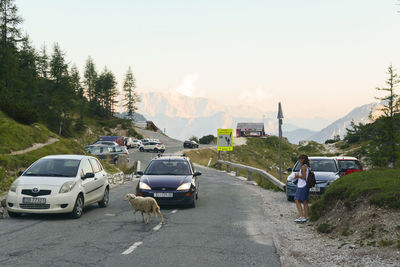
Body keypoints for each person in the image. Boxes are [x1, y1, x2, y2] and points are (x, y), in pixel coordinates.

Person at [294, 154, 310, 223]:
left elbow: (303, 177)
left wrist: (298, 176)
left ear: (302, 159)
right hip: (305, 186)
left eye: (299, 159)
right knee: (305, 201)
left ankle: (301, 216)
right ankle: (306, 217)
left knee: (297, 200)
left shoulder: (303, 167)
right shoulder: (308, 166)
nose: (299, 161)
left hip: (302, 185)